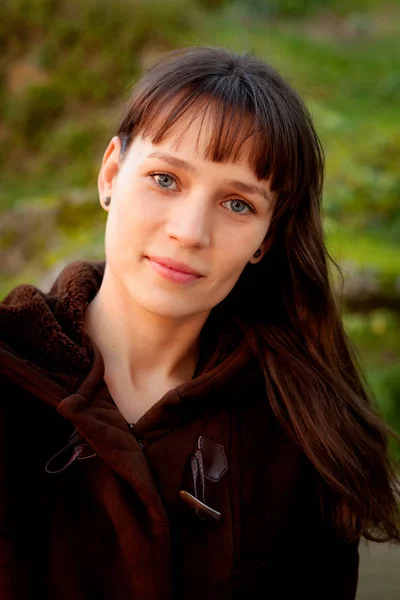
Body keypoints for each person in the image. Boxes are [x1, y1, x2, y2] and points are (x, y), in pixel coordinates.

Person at [0, 45, 399, 600]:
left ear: (266, 239)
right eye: (165, 179)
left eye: (238, 204)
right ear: (111, 174)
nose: (189, 231)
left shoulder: (302, 424)